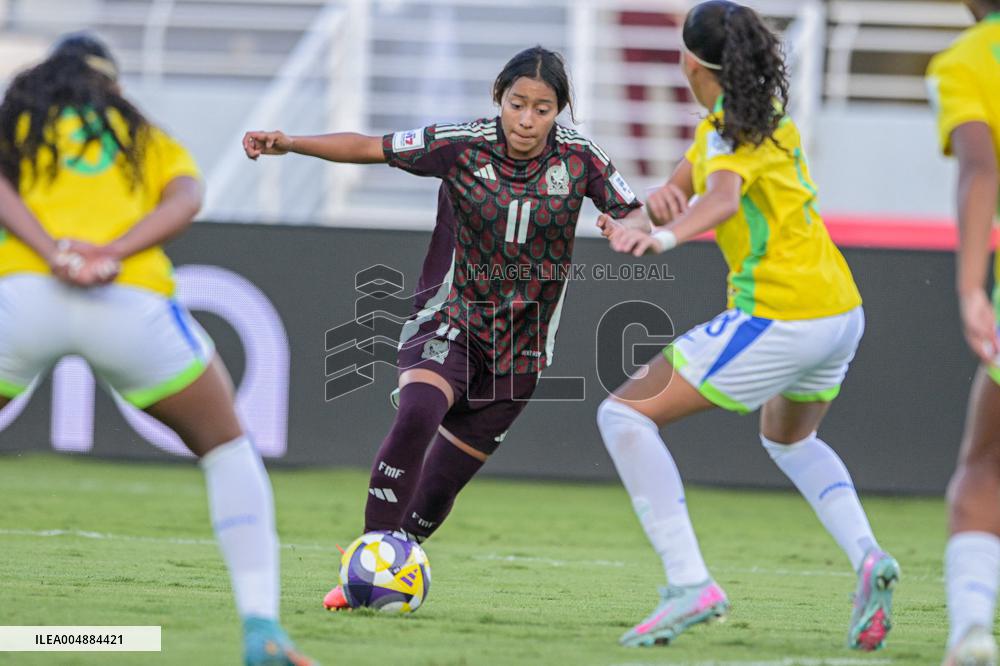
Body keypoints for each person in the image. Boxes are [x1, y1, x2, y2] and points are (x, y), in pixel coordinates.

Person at [243, 46, 645, 610]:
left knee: (440, 486)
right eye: (517, 104)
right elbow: (369, 147)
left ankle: (389, 567)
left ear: (561, 111)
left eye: (543, 108)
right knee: (417, 414)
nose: (527, 120)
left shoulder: (580, 158)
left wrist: (626, 227)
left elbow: (635, 211)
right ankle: (365, 566)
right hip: (451, 318)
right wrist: (290, 143)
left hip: (523, 352)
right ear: (498, 98)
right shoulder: (459, 144)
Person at [0, 34, 315, 666]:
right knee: (228, 450)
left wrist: (52, 250)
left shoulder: (20, 118)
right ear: (113, 83)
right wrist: (110, 253)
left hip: (23, 296)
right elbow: (188, 197)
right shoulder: (139, 131)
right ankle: (262, 631)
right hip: (127, 303)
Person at [596, 1, 899, 650]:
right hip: (841, 311)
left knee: (623, 415)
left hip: (782, 312)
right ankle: (870, 556)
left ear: (689, 61)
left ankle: (689, 584)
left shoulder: (726, 133)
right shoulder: (759, 122)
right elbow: (677, 190)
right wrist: (640, 219)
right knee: (789, 441)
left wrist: (668, 237)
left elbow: (721, 198)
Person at [927, 2, 1000, 664]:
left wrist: (971, 286)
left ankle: (973, 629)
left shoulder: (967, 59)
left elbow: (981, 168)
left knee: (987, 466)